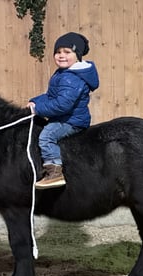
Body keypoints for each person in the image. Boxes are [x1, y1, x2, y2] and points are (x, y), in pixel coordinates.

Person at [27, 32, 99, 189]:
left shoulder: (72, 78)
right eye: (58, 52)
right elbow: (51, 96)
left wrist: (38, 109)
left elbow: (62, 105)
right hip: (63, 117)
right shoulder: (63, 73)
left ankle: (54, 173)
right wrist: (35, 101)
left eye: (67, 52)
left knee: (46, 137)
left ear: (78, 55)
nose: (61, 56)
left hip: (71, 121)